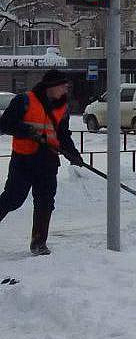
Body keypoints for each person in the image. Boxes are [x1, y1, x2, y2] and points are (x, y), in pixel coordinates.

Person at [0, 69, 83, 255]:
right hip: (24, 160)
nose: (65, 90)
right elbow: (4, 124)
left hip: (48, 161)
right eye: (63, 86)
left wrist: (73, 154)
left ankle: (39, 243)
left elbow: (62, 134)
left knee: (45, 201)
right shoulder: (25, 100)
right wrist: (26, 130)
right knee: (13, 199)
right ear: (51, 87)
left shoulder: (62, 108)